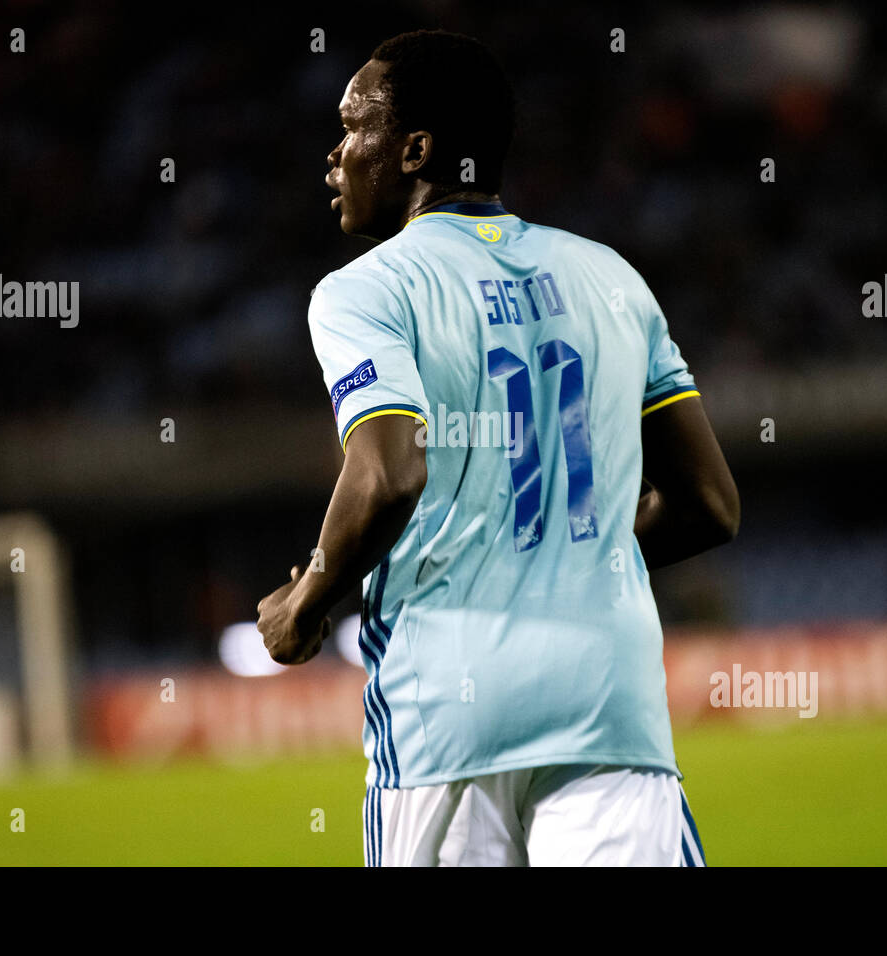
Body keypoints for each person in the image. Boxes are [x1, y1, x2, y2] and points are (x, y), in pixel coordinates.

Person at [256, 29, 739, 866]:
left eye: (353, 127)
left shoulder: (364, 291)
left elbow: (388, 474)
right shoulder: (612, 278)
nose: (334, 155)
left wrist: (307, 603)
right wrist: (567, 561)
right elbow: (709, 505)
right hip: (606, 708)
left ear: (415, 150)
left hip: (443, 720)